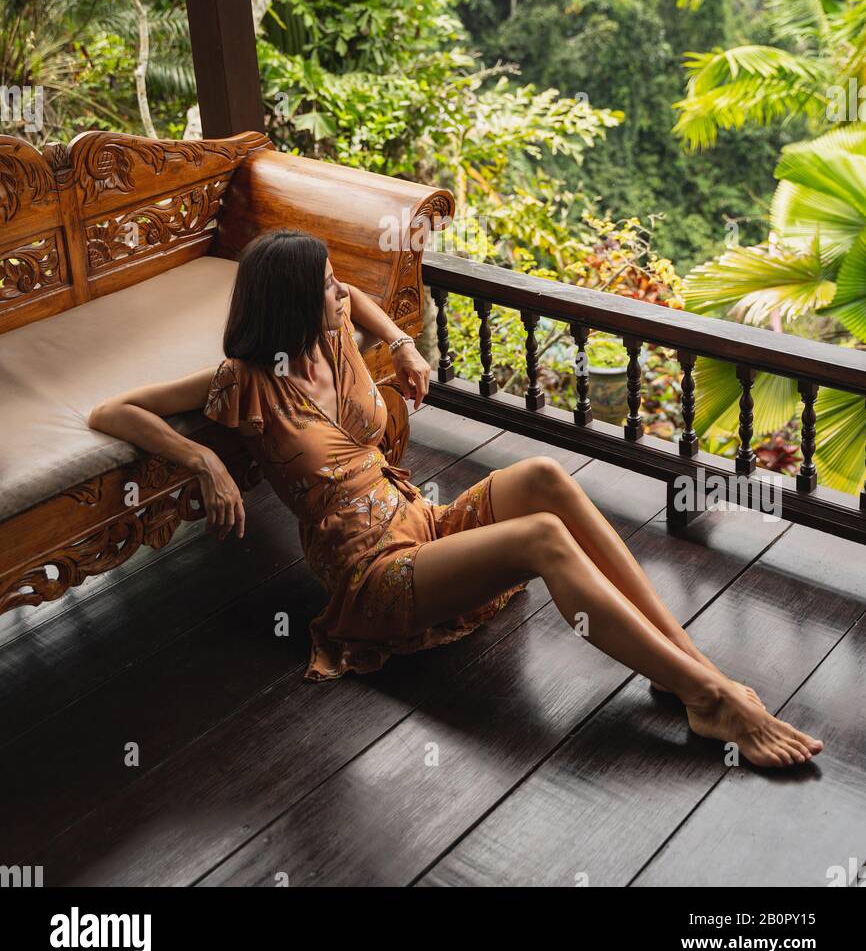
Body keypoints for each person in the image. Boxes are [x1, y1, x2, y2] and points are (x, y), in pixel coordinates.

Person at [89, 228, 823, 769]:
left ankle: (688, 670)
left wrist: (402, 345)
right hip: (373, 577)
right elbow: (114, 410)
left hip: (425, 523)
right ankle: (713, 700)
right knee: (542, 539)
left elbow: (364, 303)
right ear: (289, 306)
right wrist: (202, 461)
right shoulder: (246, 380)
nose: (342, 293)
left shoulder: (333, 333)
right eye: (327, 286)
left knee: (543, 476)